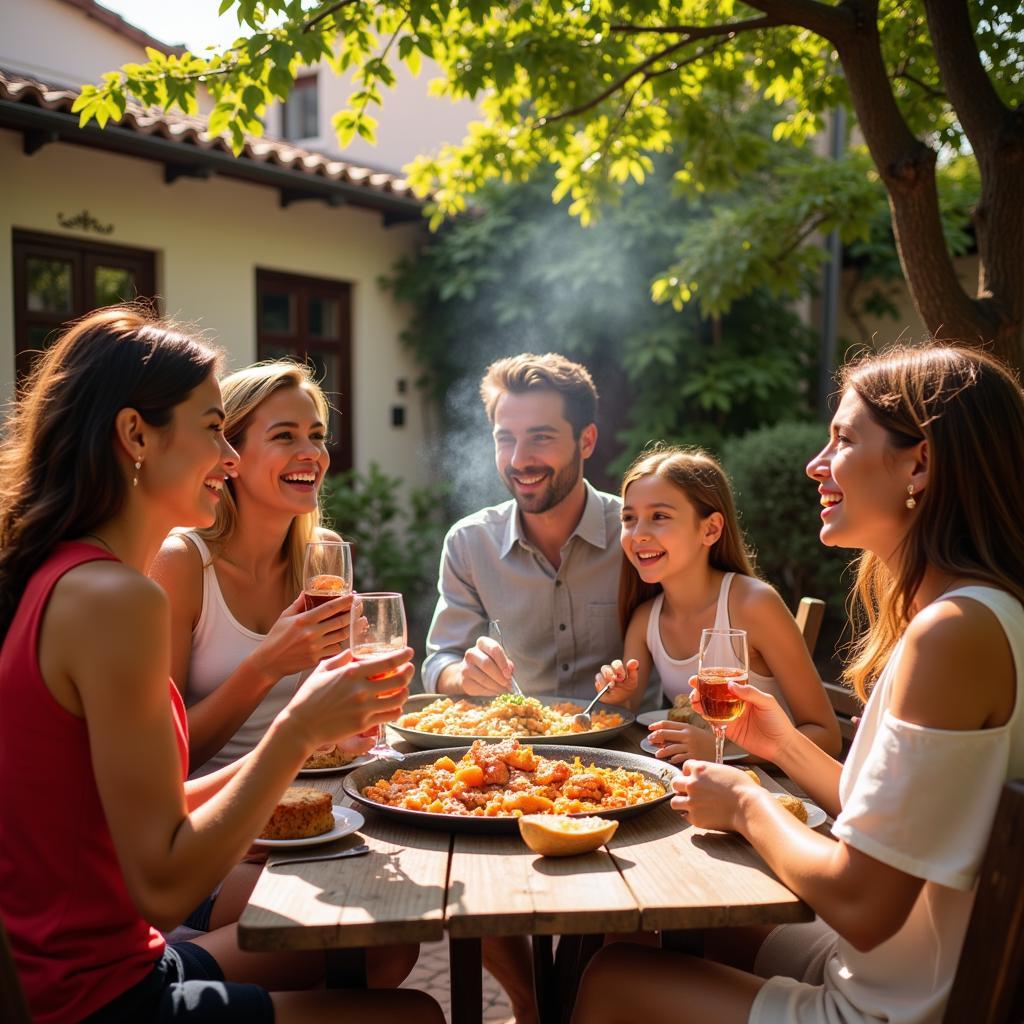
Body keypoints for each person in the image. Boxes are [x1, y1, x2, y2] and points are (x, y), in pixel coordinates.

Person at [0, 307, 442, 1024]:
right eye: (213, 428)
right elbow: (165, 886)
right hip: (101, 999)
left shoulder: (67, 576)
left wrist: (313, 735)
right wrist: (297, 729)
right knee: (414, 1016)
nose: (229, 458)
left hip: (120, 962)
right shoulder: (118, 598)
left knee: (375, 946)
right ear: (135, 435)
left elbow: (155, 810)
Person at [571, 344, 1024, 1024]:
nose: (816, 464)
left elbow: (864, 906)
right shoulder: (978, 614)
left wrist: (747, 804)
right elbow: (891, 818)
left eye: (842, 440)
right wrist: (779, 743)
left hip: (892, 1001)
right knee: (641, 926)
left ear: (920, 463)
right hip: (896, 964)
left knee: (610, 973)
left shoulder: (952, 635)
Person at [148, 361, 419, 982]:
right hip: (219, 829)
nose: (311, 453)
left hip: (318, 813)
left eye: (317, 435)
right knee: (372, 939)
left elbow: (332, 715)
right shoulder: (183, 564)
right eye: (285, 436)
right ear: (229, 455)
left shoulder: (319, 556)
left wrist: (358, 718)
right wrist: (268, 663)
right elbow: (169, 760)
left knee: (398, 942)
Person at [423, 352, 647, 706]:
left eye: (540, 438)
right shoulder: (469, 542)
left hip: (633, 751)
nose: (518, 460)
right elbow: (440, 661)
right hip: (518, 751)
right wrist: (464, 676)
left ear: (586, 441)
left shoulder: (638, 537)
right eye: (505, 439)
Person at [595, 446, 840, 761]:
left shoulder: (754, 605)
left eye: (659, 516)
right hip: (703, 781)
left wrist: (720, 750)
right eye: (629, 518)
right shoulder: (645, 620)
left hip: (777, 787)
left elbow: (826, 736)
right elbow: (624, 718)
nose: (638, 534)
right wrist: (619, 698)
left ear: (710, 529)